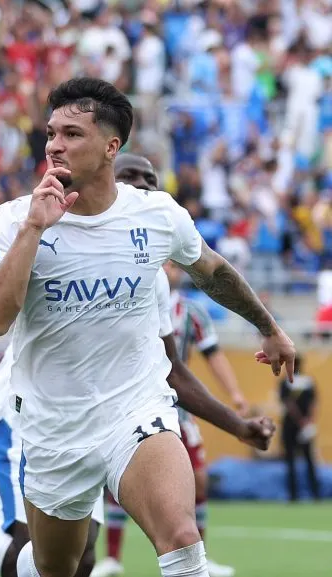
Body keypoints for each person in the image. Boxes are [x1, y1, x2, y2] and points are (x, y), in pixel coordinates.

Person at [0, 153, 276, 577]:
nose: (140, 189)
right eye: (130, 178)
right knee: (31, 558)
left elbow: (171, 367)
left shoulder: (152, 272)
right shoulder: (37, 224)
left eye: (148, 181)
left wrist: (238, 422)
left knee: (92, 559)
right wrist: (32, 228)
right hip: (23, 418)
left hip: (107, 419)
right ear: (106, 174)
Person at [0, 78, 293, 577]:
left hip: (136, 409)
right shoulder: (15, 219)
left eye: (72, 134)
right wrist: (35, 229)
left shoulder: (156, 214)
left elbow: (213, 271)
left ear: (110, 147)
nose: (55, 145)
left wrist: (268, 328)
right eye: (52, 133)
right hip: (53, 427)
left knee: (183, 540)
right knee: (56, 567)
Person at [98, 179, 246, 577]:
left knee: (197, 479)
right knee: (120, 481)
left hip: (180, 404)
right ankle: (112, 555)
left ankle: (200, 555)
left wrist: (235, 395)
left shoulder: (192, 313)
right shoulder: (130, 293)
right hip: (130, 401)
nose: (169, 269)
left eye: (173, 265)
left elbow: (212, 356)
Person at [279, 356, 321, 501]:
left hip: (293, 426)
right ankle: (313, 494)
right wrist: (307, 420)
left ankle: (296, 495)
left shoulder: (287, 382)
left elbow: (289, 404)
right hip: (300, 426)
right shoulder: (308, 382)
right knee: (305, 460)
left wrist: (302, 421)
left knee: (297, 460)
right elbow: (312, 404)